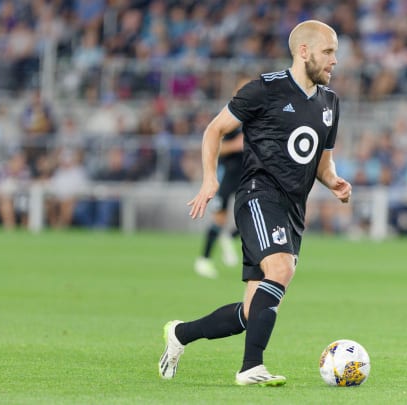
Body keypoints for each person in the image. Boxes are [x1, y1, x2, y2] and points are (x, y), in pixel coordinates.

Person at [159, 20, 352, 386]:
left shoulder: (330, 103)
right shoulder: (265, 89)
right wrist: (210, 178)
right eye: (328, 52)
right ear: (305, 51)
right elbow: (215, 129)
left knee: (251, 312)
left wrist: (335, 183)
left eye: (336, 53)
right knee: (281, 269)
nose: (335, 61)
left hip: (294, 210)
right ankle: (251, 368)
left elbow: (323, 163)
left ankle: (180, 334)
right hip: (257, 196)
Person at [193, 79, 249, 279]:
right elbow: (214, 145)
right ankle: (204, 260)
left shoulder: (257, 117)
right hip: (227, 173)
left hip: (248, 174)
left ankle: (231, 238)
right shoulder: (228, 118)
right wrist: (234, 145)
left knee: (252, 215)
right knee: (219, 217)